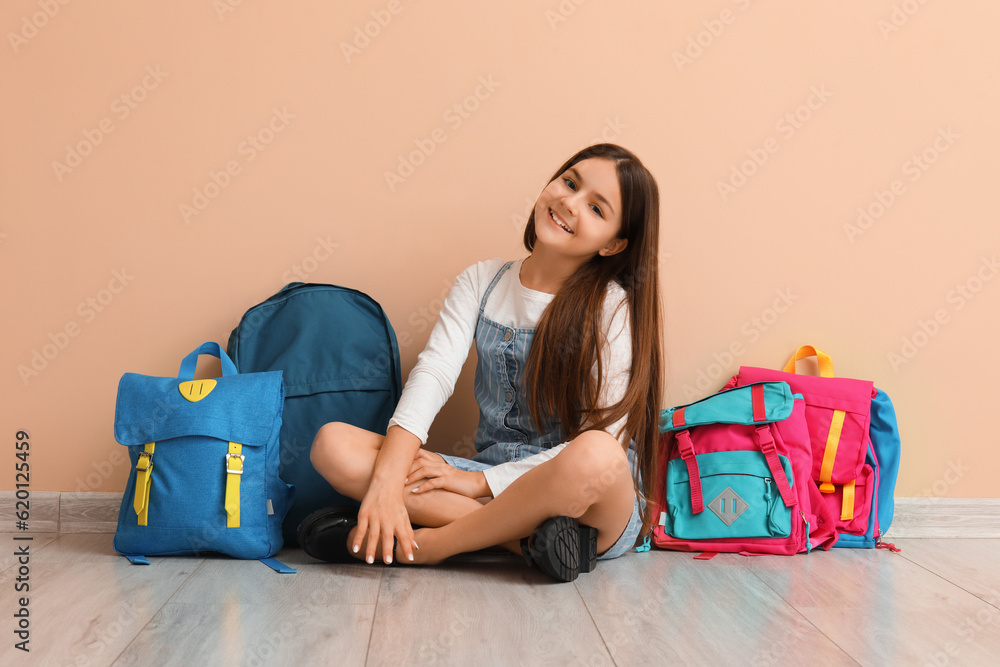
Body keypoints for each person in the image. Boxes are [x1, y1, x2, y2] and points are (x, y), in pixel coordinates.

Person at [300, 143, 663, 582]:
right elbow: (434, 373)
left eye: (596, 208)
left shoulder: (611, 306)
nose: (569, 203)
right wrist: (386, 483)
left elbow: (606, 437)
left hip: (583, 502)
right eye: (569, 182)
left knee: (600, 453)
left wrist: (476, 485)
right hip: (491, 476)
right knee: (332, 445)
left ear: (614, 245)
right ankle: (529, 544)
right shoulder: (482, 281)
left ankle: (432, 545)